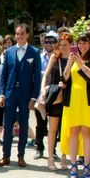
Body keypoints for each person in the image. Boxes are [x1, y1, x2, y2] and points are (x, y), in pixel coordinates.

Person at [59, 32, 90, 178]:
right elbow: (65, 78)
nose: (82, 45)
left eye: (85, 42)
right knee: (73, 132)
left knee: (86, 132)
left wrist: (80, 64)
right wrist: (69, 64)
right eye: (79, 43)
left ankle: (86, 165)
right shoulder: (73, 57)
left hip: (89, 101)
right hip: (72, 100)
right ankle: (73, 165)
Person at [0, 24, 42, 168]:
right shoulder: (8, 52)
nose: (19, 36)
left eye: (22, 33)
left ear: (27, 35)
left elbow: (37, 78)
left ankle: (21, 155)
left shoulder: (34, 52)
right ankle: (6, 156)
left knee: (23, 125)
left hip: (25, 95)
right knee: (7, 125)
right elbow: (3, 75)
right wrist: (1, 94)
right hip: (10, 94)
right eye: (17, 33)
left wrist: (34, 98)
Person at [38, 32, 72, 171]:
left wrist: (71, 62)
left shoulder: (74, 58)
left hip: (68, 97)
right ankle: (50, 157)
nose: (63, 47)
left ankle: (64, 157)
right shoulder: (54, 56)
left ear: (71, 45)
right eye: (61, 45)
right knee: (52, 129)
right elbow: (45, 75)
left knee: (65, 130)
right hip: (54, 96)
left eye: (66, 45)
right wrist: (42, 91)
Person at [34, 30, 59, 159]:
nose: (48, 44)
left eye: (51, 41)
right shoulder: (38, 56)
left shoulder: (59, 57)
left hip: (55, 95)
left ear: (56, 43)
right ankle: (39, 148)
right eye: (46, 41)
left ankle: (52, 150)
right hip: (41, 94)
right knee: (40, 124)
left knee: (54, 125)